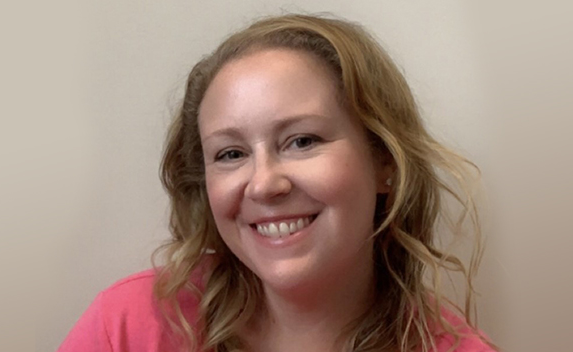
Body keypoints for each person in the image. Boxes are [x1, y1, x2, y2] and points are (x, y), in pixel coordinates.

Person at [58, 14, 497, 352]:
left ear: (385, 161)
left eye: (302, 141)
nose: (264, 184)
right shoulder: (129, 327)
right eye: (231, 154)